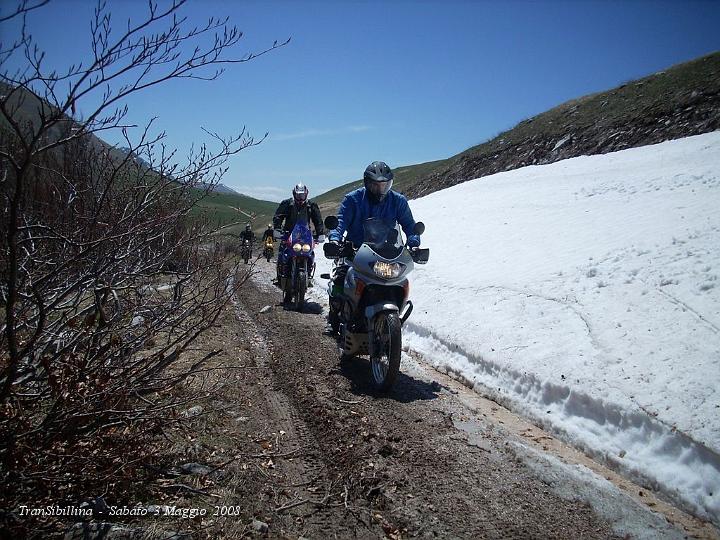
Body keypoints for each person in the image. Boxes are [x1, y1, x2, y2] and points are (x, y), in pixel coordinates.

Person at [327, 161, 420, 295]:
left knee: (399, 281)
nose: (380, 189)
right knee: (341, 280)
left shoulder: (398, 200)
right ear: (367, 183)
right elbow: (340, 222)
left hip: (387, 253)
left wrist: (414, 243)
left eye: (385, 185)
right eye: (375, 185)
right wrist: (334, 241)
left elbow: (410, 225)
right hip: (355, 252)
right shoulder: (353, 200)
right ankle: (336, 312)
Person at [273, 183, 325, 283]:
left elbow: (318, 220)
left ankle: (308, 276)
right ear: (294, 194)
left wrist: (320, 233)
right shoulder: (287, 204)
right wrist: (277, 229)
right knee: (282, 253)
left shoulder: (311, 205)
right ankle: (280, 275)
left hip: (305, 234)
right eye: (298, 195)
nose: (300, 198)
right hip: (289, 233)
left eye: (302, 195)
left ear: (306, 194)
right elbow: (278, 216)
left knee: (310, 252)